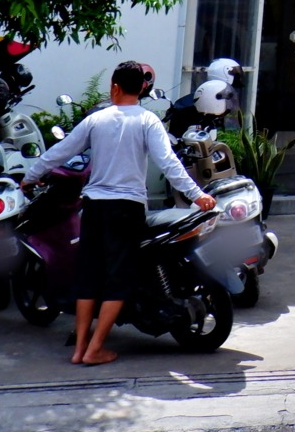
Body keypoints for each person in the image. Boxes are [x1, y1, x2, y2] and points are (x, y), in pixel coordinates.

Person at [26, 60, 214, 366]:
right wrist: (198, 195)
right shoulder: (148, 121)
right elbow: (168, 163)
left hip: (93, 209)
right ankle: (95, 349)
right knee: (118, 279)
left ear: (114, 86)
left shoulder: (96, 121)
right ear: (142, 88)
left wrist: (31, 176)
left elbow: (59, 152)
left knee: (88, 278)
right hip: (126, 210)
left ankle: (79, 349)